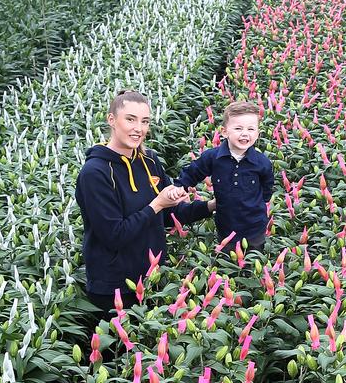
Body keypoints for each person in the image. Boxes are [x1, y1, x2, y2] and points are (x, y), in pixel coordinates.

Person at [75, 90, 215, 319]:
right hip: (114, 286)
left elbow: (172, 215)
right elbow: (114, 235)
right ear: (112, 120)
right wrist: (156, 205)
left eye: (145, 121)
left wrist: (211, 205)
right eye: (130, 119)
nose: (138, 128)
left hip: (151, 277)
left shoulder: (149, 160)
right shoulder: (95, 173)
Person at [174, 100, 274, 253]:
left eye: (251, 129)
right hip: (226, 226)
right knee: (227, 262)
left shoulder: (262, 163)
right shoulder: (213, 157)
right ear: (224, 131)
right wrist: (180, 186)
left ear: (258, 133)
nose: (245, 133)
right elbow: (193, 171)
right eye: (238, 128)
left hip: (254, 227)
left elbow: (267, 189)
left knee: (253, 261)